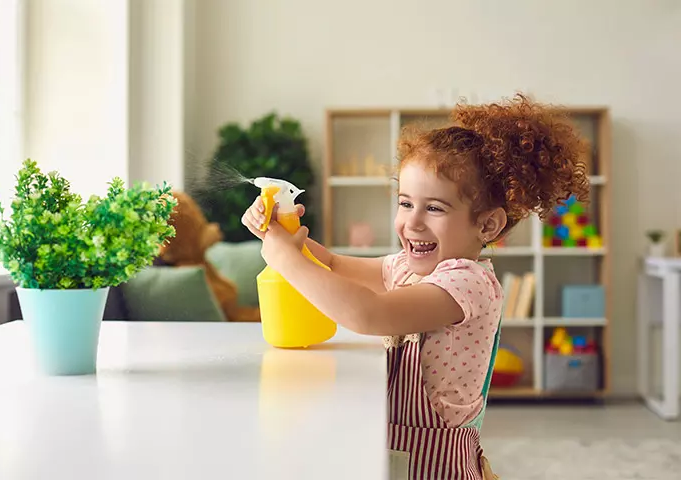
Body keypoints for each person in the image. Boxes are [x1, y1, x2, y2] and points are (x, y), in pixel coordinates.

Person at [242, 94, 589, 479]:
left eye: (435, 208)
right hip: (397, 459)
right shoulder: (410, 268)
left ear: (488, 226)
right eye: (406, 203)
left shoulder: (467, 282)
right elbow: (336, 265)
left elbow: (368, 314)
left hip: (437, 470)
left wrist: (285, 259)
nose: (413, 222)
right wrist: (282, 231)